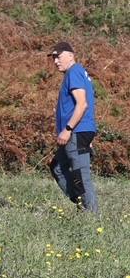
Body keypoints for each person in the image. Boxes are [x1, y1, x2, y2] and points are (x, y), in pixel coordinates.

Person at [48, 40, 99, 214]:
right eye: (53, 58)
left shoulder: (74, 72)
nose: (55, 61)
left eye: (58, 56)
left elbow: (82, 104)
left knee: (80, 174)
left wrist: (68, 129)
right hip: (80, 132)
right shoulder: (78, 73)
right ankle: (82, 205)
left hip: (75, 132)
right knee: (57, 167)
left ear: (70, 55)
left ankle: (92, 216)